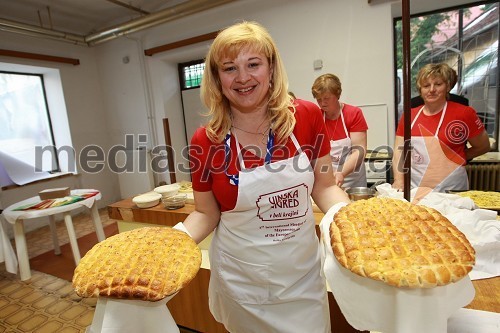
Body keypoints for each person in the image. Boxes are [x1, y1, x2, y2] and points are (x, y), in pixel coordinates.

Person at [176, 21, 349, 333]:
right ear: (217, 78)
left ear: (271, 69)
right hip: (243, 282)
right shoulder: (206, 140)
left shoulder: (306, 117)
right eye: (230, 68)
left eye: (253, 64)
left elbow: (324, 186)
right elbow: (205, 212)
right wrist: (171, 243)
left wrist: (350, 220)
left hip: (301, 277)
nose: (243, 78)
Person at [392, 62, 490, 192]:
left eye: (438, 84)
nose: (432, 89)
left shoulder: (465, 113)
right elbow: (399, 151)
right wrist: (399, 181)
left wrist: (458, 156)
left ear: (447, 86)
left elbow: (483, 146)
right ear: (420, 89)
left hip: (451, 188)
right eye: (426, 85)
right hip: (416, 187)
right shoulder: (409, 116)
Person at [311, 73, 369, 188]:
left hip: (353, 182)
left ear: (337, 94)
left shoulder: (353, 113)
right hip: (326, 182)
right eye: (319, 99)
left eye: (326, 98)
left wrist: (341, 173)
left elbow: (359, 151)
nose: (322, 103)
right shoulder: (316, 117)